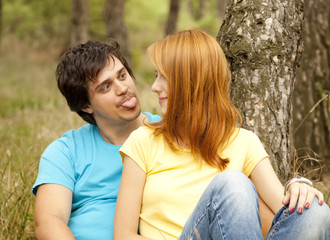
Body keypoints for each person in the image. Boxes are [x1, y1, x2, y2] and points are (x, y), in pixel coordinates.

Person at [114, 30, 330, 240]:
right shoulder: (144, 141)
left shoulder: (244, 142)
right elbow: (123, 235)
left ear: (191, 82)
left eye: (163, 76)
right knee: (232, 183)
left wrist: (298, 186)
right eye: (155, 75)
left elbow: (284, 211)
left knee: (316, 212)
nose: (154, 86)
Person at [32, 40, 161, 240]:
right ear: (85, 106)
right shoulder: (65, 151)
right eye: (105, 87)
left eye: (122, 75)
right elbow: (50, 221)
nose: (122, 88)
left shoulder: (169, 132)